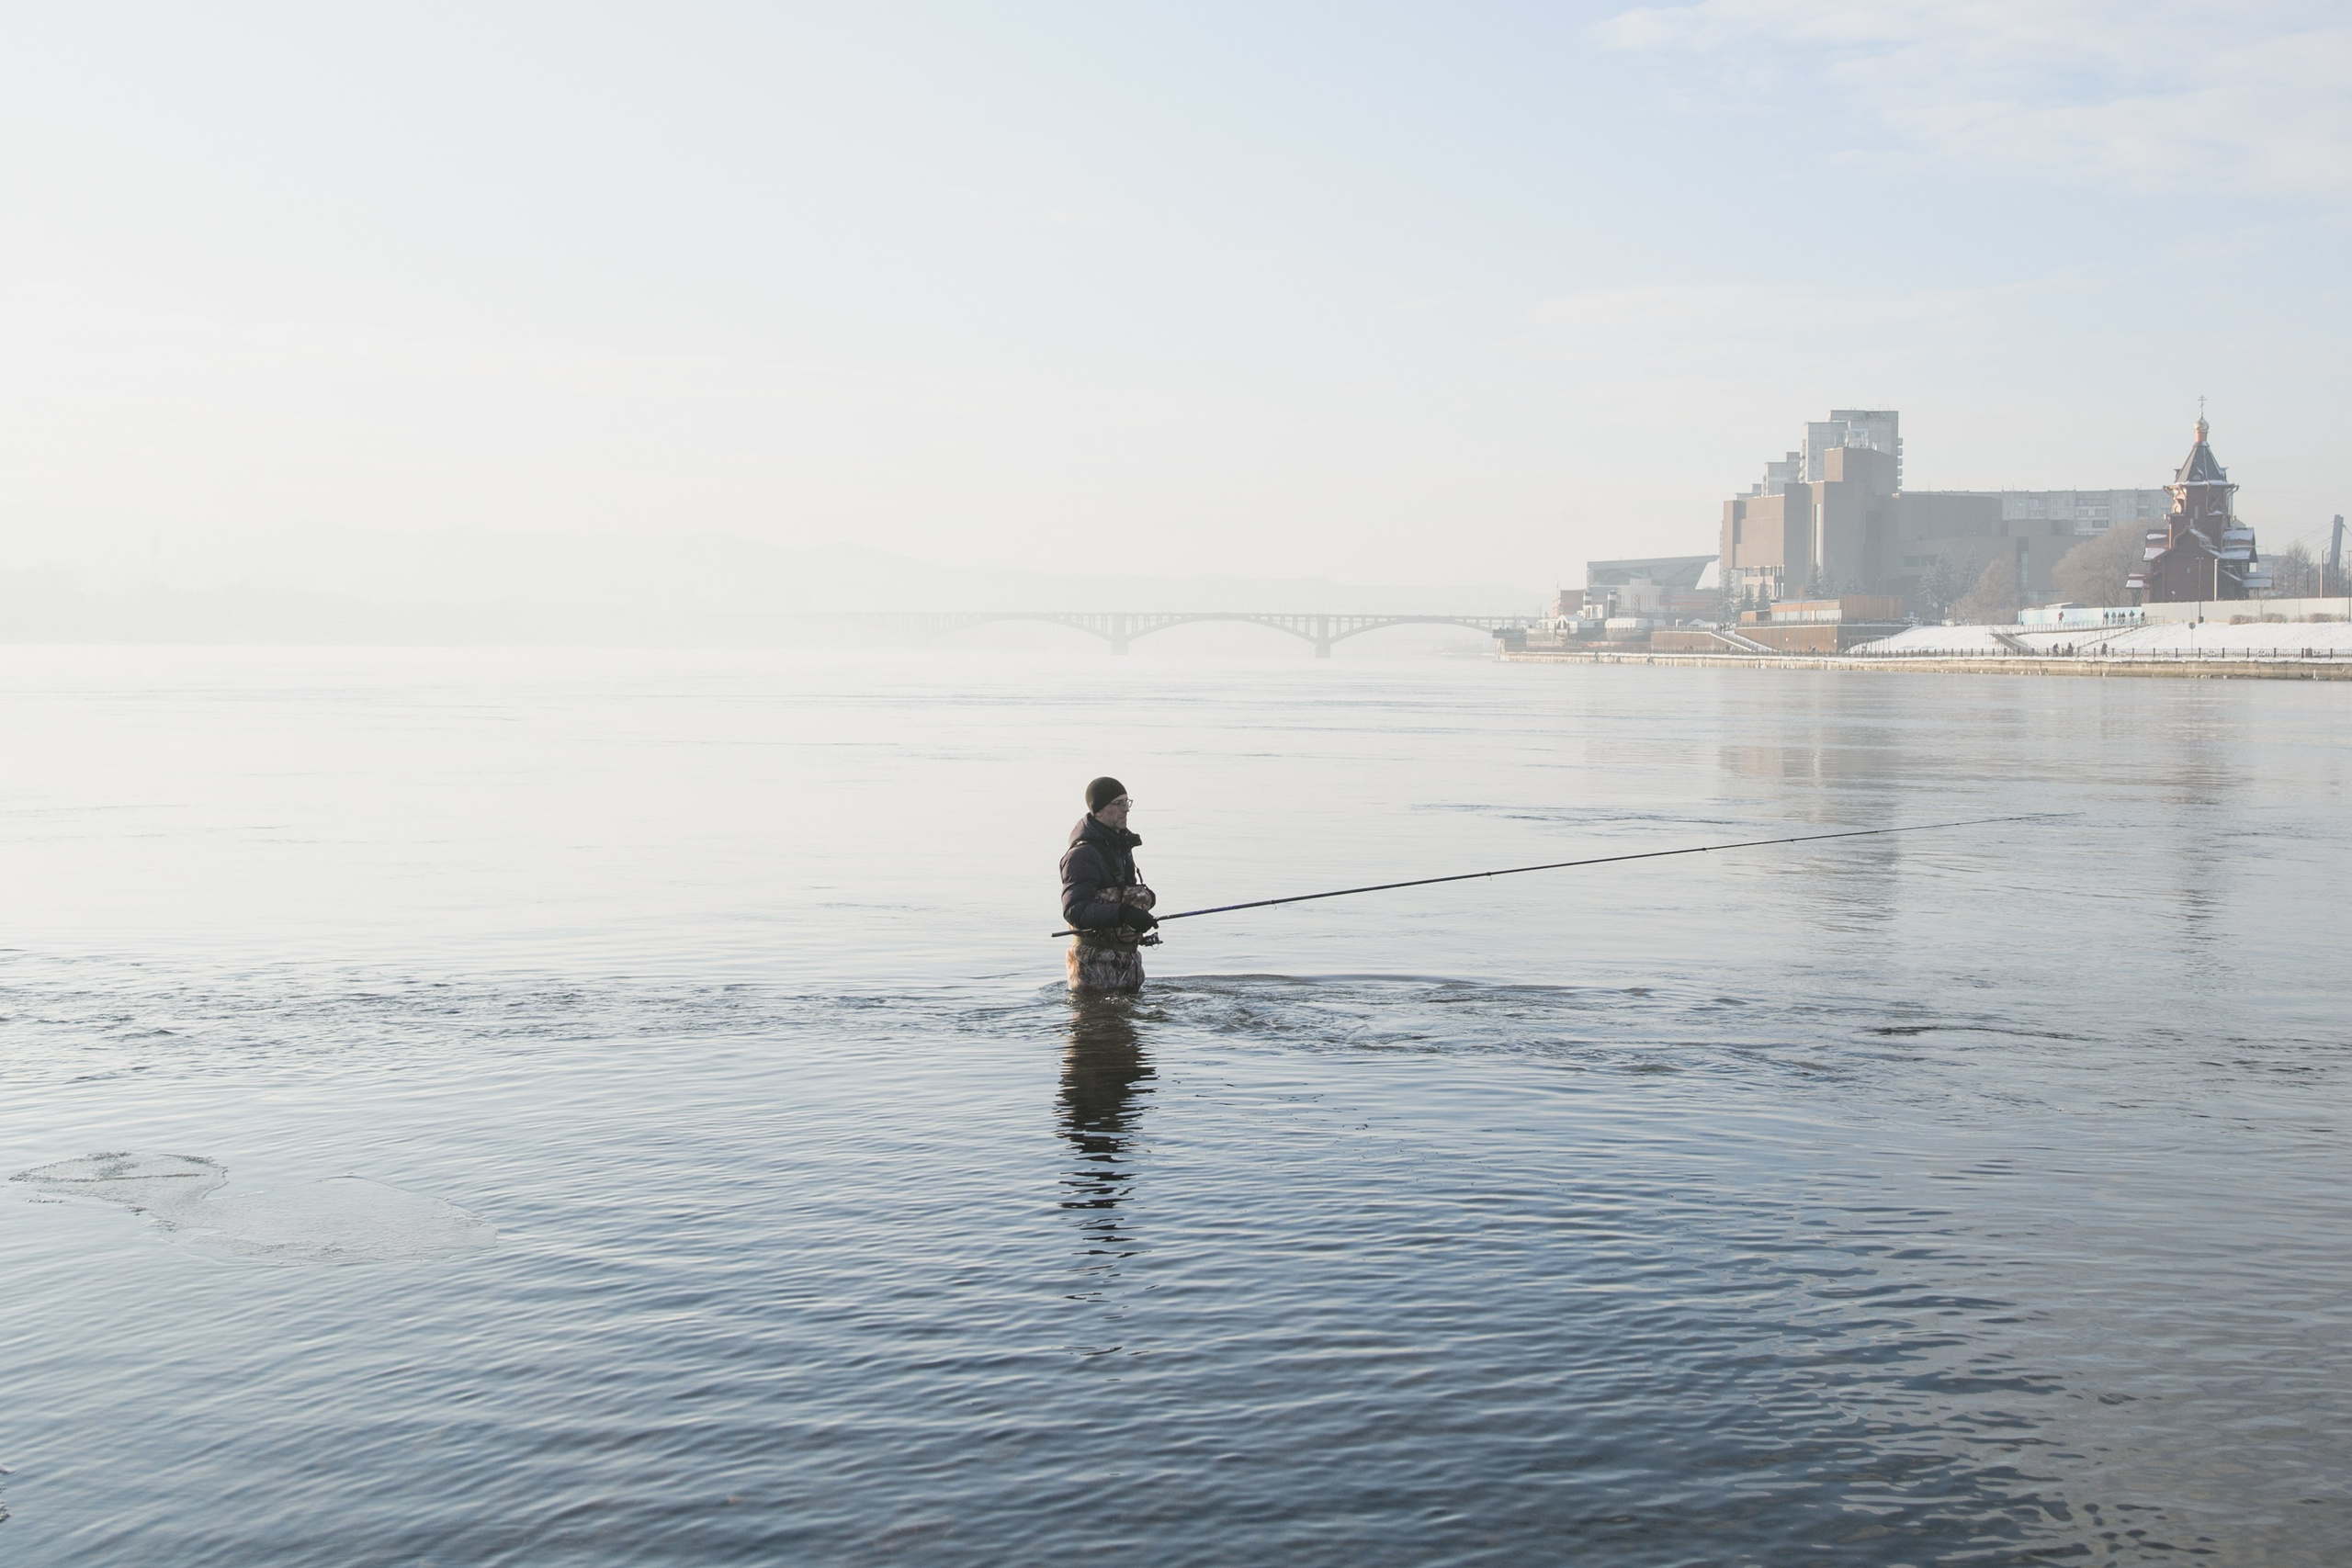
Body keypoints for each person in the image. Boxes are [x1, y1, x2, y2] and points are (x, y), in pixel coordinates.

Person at [1059, 775, 1158, 993]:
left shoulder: (1120, 847)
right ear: (1099, 810)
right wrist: (1125, 913)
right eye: (1118, 803)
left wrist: (1146, 899)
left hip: (1127, 967)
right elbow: (1075, 911)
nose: (1126, 809)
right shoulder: (1082, 855)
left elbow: (1124, 893)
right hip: (1093, 973)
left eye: (1127, 802)